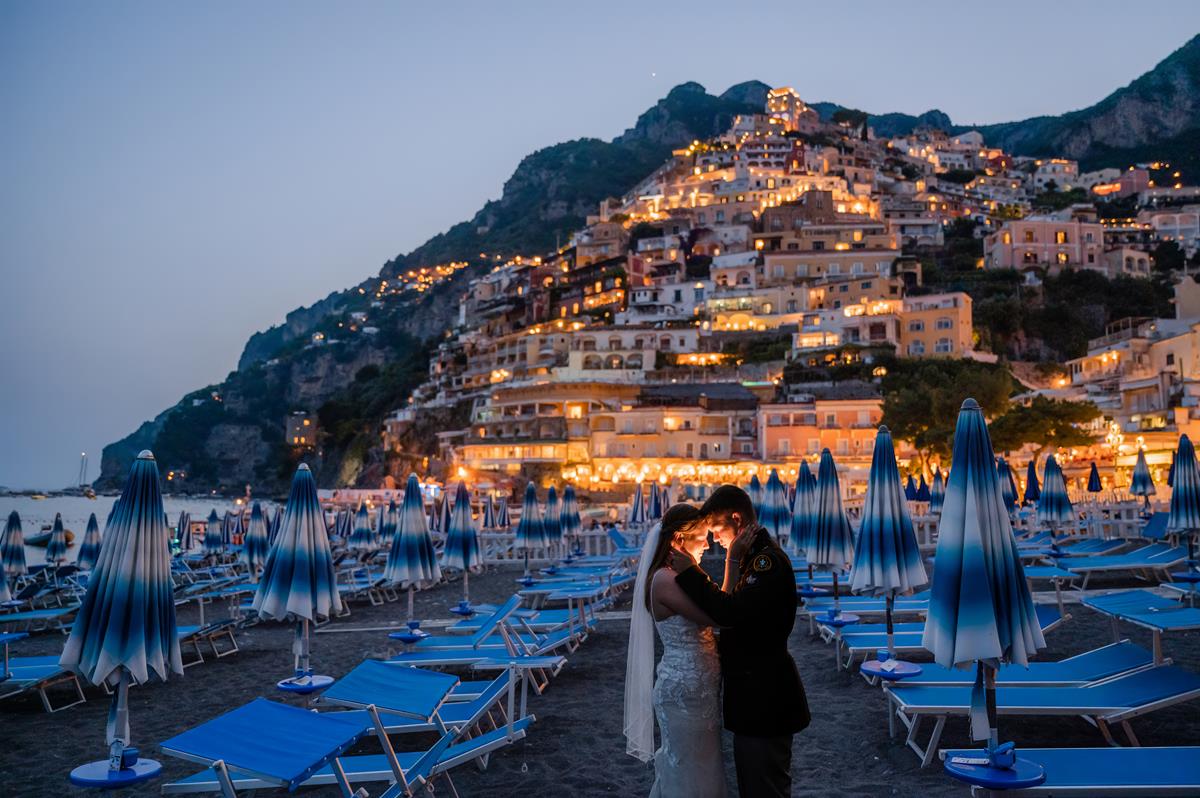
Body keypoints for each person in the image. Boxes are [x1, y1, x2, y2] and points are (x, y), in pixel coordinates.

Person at [667, 484, 810, 798]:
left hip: (766, 700)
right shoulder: (752, 558)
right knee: (755, 783)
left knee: (765, 787)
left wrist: (691, 572)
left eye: (718, 530)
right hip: (755, 699)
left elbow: (729, 612)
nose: (715, 539)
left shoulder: (766, 562)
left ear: (737, 519)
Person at [624, 503, 727, 798]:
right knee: (690, 770)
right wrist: (731, 563)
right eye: (702, 537)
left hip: (700, 689)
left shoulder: (681, 575)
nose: (708, 544)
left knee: (704, 767)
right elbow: (717, 616)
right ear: (679, 540)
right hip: (683, 691)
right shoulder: (665, 580)